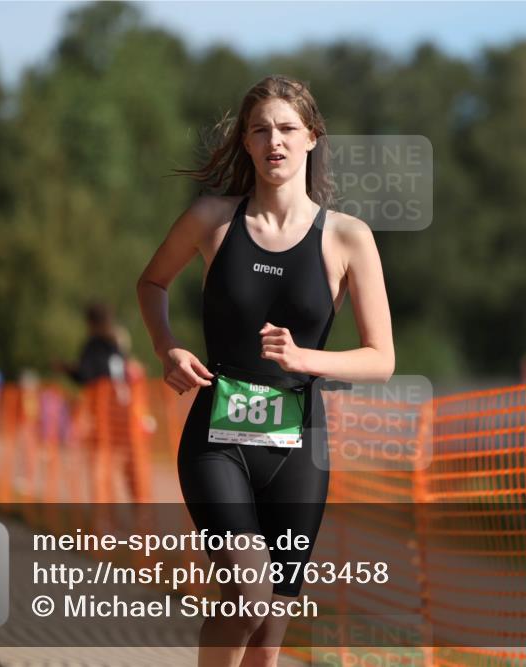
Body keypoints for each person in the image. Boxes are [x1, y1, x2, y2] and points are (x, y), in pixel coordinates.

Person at [137, 75, 394, 667]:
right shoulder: (211, 219)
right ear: (247, 144)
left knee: (273, 621)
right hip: (216, 440)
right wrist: (166, 345)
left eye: (285, 128)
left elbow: (381, 357)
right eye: (259, 130)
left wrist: (306, 359)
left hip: (299, 447)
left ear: (311, 138)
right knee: (245, 592)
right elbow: (151, 283)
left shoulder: (348, 237)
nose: (272, 141)